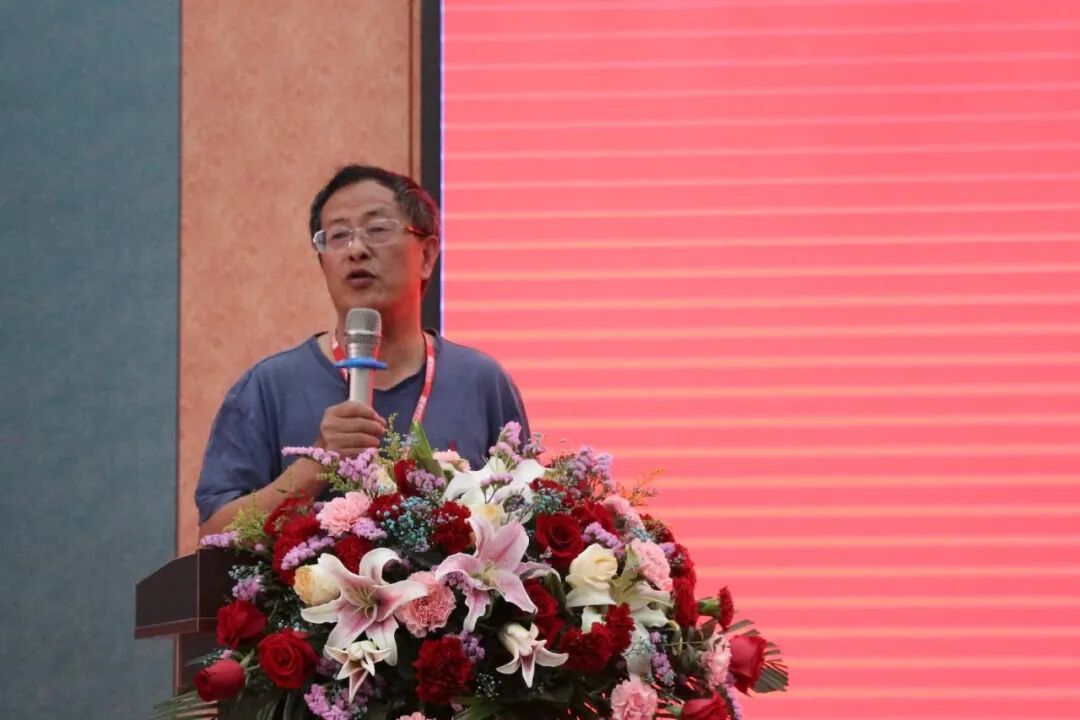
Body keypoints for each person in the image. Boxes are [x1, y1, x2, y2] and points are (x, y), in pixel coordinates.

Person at [196, 165, 529, 536]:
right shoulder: (269, 386)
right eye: (338, 235)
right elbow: (213, 535)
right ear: (322, 262)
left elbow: (526, 523)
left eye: (378, 229)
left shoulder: (480, 381)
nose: (356, 250)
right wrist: (315, 465)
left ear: (426, 255)